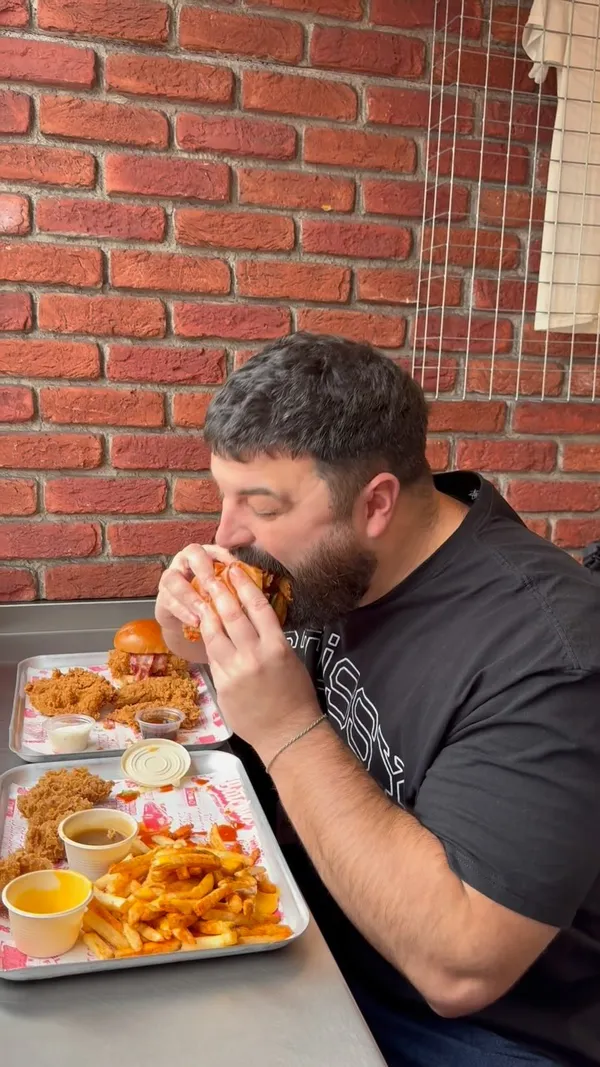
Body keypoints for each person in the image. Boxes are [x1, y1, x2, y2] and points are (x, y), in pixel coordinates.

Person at [155, 332, 600, 1067]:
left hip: (491, 1028)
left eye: (259, 505)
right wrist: (194, 630)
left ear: (376, 503)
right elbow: (228, 660)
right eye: (223, 496)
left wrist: (288, 730)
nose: (225, 535)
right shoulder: (343, 566)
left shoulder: (551, 657)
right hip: (324, 933)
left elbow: (460, 966)